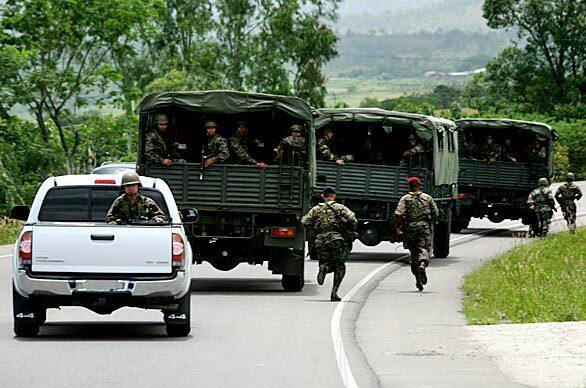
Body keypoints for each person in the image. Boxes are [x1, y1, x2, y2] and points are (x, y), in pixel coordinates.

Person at [301, 186, 357, 301]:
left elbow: (304, 221)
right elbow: (353, 219)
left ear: (323, 196)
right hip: (336, 239)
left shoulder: (316, 209)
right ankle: (334, 293)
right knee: (339, 266)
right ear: (334, 196)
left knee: (326, 261)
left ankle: (324, 268)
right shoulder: (340, 207)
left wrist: (315, 228)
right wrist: (350, 230)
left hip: (320, 240)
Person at [394, 176, 438, 291]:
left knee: (414, 253)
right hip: (424, 227)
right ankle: (423, 264)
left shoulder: (405, 198)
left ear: (409, 186)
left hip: (410, 228)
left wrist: (398, 227)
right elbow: (435, 212)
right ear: (419, 185)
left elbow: (399, 214)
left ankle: (418, 280)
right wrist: (432, 223)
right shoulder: (427, 198)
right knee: (424, 249)